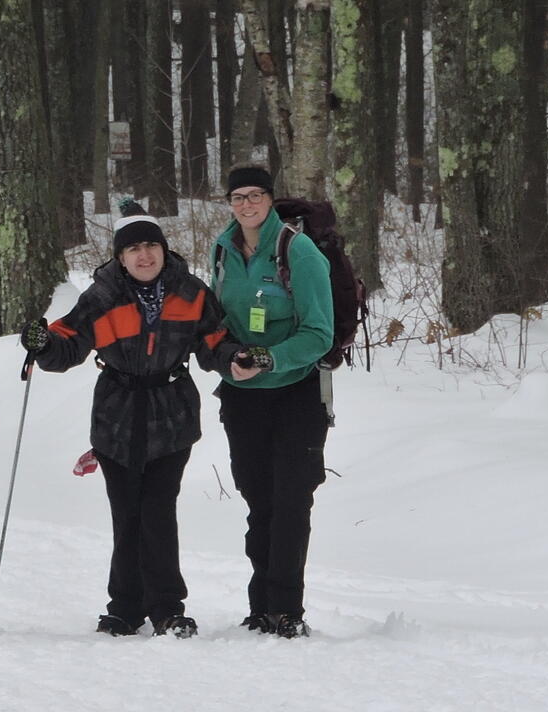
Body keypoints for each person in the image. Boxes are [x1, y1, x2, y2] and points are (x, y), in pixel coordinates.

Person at [20, 199, 241, 638]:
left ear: (163, 249)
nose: (145, 256)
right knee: (127, 513)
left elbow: (216, 342)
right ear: (119, 257)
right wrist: (42, 343)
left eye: (151, 246)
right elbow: (67, 343)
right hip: (116, 415)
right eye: (134, 249)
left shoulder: (191, 292)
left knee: (157, 511)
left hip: (171, 414)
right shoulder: (102, 296)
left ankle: (167, 609)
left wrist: (237, 358)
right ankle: (123, 608)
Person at [211, 164, 334, 638]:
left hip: (296, 394)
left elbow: (319, 333)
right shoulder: (222, 249)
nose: (246, 204)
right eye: (237, 196)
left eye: (255, 194)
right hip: (242, 398)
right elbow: (219, 320)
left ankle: (286, 608)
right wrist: (227, 359)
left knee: (290, 502)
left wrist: (270, 359)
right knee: (258, 501)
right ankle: (260, 603)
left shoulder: (296, 251)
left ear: (270, 198)